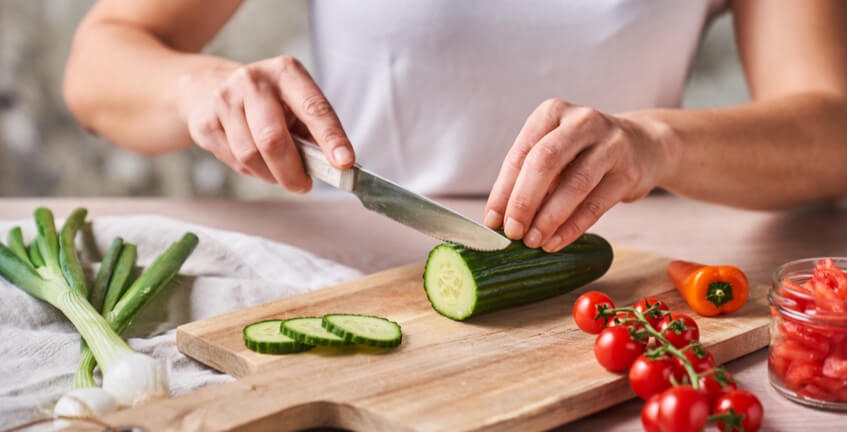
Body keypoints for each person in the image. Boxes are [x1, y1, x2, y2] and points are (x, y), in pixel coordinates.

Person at [63, 0, 847, 252]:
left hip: (619, 276)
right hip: (351, 264)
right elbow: (98, 64)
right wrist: (202, 88)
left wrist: (658, 143)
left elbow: (831, 128)